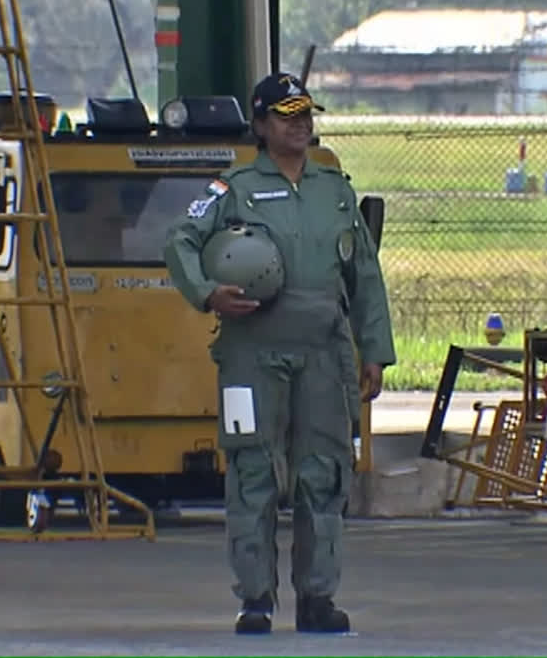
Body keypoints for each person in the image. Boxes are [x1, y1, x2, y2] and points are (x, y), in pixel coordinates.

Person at [163, 72, 396, 635]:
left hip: (324, 353)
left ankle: (318, 597)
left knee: (324, 475)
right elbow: (181, 240)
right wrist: (206, 292)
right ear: (262, 125)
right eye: (288, 116)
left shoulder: (334, 189)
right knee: (253, 475)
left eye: (306, 115)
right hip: (253, 354)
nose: (301, 125)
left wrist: (374, 350)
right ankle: (256, 600)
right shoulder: (234, 187)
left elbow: (363, 272)